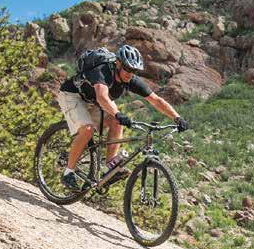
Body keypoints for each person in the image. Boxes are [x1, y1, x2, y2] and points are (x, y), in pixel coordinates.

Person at [56, 44, 188, 192]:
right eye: (127, 68)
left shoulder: (131, 80)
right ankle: (68, 172)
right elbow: (102, 96)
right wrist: (117, 113)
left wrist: (177, 118)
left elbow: (156, 100)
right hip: (72, 95)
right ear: (118, 63)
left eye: (134, 70)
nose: (130, 73)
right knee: (87, 130)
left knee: (116, 121)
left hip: (94, 101)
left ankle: (110, 166)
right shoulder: (103, 70)